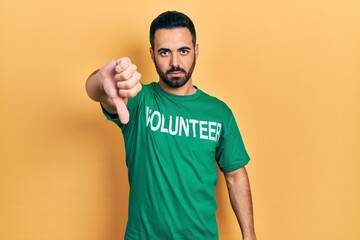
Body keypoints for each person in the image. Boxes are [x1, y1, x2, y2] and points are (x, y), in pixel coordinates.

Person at [86, 11, 256, 240]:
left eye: (183, 51)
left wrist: (249, 235)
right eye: (164, 52)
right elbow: (98, 92)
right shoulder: (137, 100)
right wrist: (101, 81)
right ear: (152, 54)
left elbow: (235, 175)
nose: (175, 62)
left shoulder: (219, 112)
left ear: (196, 50)